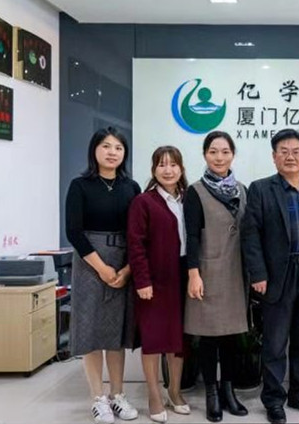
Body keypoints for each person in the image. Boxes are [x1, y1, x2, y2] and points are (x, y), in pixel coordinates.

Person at [241, 129, 299, 424]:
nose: (290, 156)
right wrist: (258, 273)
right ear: (274, 156)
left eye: (296, 151)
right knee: (275, 342)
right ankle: (273, 400)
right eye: (283, 151)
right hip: (277, 276)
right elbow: (250, 235)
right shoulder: (261, 189)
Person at [66, 127, 140, 424]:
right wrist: (103, 268)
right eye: (106, 146)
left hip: (124, 262)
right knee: (91, 331)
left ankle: (118, 395)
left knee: (115, 333)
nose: (112, 152)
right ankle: (98, 398)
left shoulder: (131, 187)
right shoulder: (80, 185)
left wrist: (127, 269)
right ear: (94, 150)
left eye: (118, 147)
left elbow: (138, 232)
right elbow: (74, 232)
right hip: (90, 263)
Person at [183, 131, 249, 422]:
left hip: (236, 273)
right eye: (213, 151)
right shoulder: (195, 192)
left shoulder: (243, 190)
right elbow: (191, 236)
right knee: (209, 336)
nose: (219, 157)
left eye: (225, 152)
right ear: (205, 155)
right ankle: (211, 393)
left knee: (233, 336)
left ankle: (228, 391)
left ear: (232, 155)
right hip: (208, 272)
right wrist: (193, 274)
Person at [127, 146, 191, 423]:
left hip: (183, 276)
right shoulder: (144, 201)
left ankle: (174, 391)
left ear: (181, 168)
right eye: (162, 165)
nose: (168, 170)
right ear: (154, 170)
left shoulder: (188, 199)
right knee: (153, 339)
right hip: (154, 279)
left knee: (178, 340)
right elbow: (135, 245)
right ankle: (154, 395)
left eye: (173, 164)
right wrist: (142, 280)